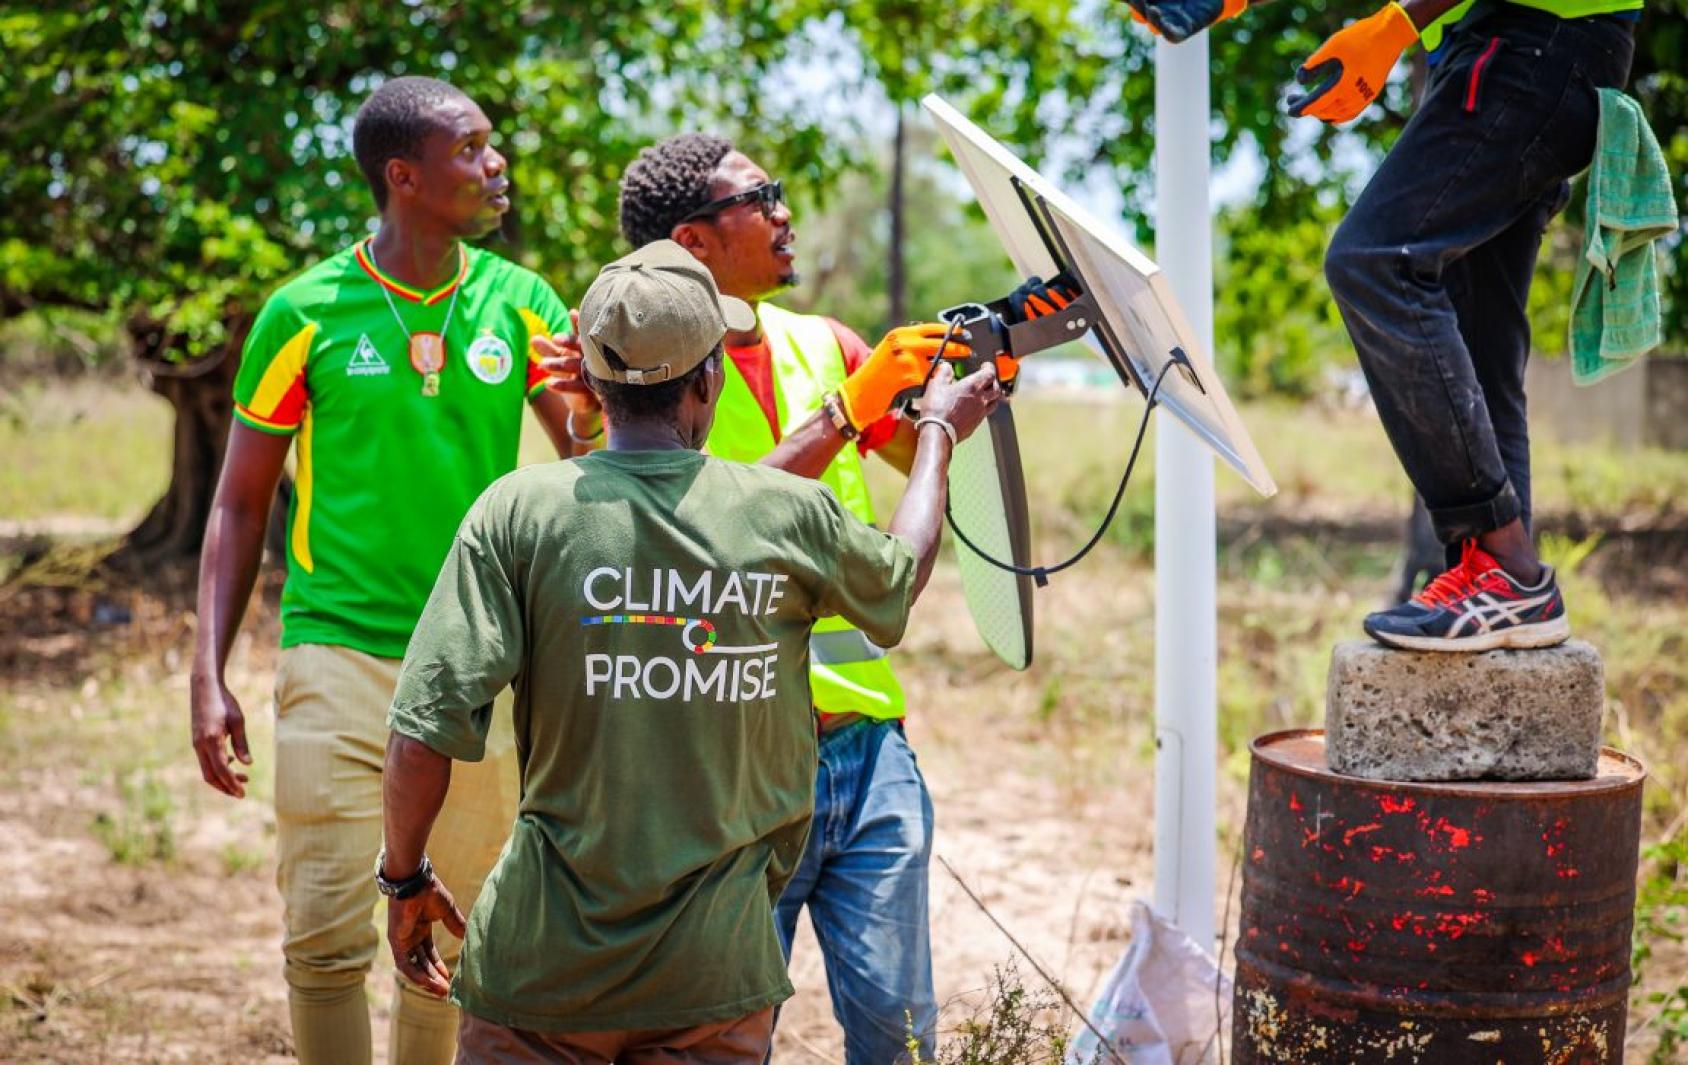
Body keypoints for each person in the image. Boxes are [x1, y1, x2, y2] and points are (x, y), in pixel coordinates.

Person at [378, 239, 1003, 1064]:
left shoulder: (517, 512)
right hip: (711, 981)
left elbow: (425, 728)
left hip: (541, 971)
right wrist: (934, 435)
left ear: (594, 383)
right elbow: (901, 573)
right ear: (708, 380)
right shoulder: (785, 512)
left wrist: (404, 877)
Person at [188, 76, 596, 1065]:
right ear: (403, 175)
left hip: (479, 667)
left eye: (493, 146)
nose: (496, 165)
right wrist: (206, 674)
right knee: (324, 944)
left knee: (453, 945)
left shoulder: (521, 303)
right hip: (336, 654)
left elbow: (592, 465)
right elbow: (240, 504)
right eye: (472, 148)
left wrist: (610, 392)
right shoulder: (303, 313)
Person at [1136, 0, 1637, 650]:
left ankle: (1507, 564)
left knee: (1377, 260)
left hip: (1534, 37)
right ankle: (1499, 588)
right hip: (1516, 47)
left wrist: (1394, 25)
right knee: (1478, 328)